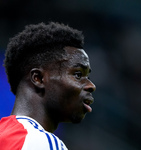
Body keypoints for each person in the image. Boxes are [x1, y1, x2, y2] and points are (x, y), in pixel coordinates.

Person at [0, 22, 96, 150]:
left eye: (87, 77)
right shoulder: (41, 142)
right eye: (78, 75)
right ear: (38, 78)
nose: (91, 86)